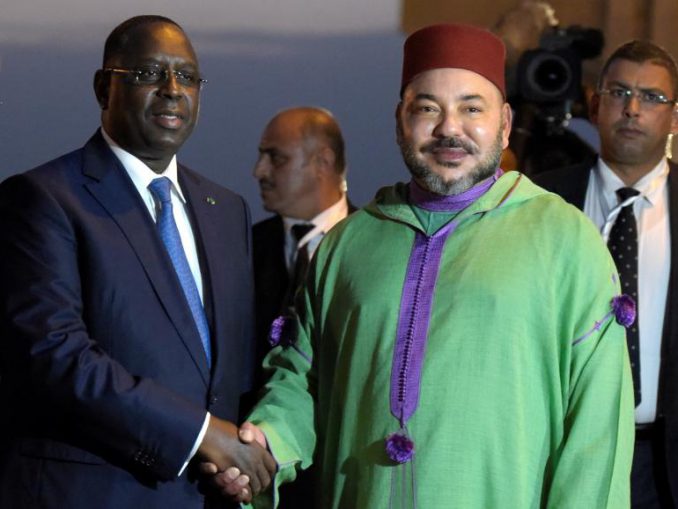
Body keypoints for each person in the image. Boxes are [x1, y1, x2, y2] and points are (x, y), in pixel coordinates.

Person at [222, 23, 636, 508]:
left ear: (504, 123)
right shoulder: (350, 243)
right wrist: (268, 442)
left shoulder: (564, 240)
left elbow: (596, 432)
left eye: (471, 108)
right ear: (400, 120)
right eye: (427, 109)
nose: (449, 129)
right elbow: (301, 379)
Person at [0, 15, 274, 509]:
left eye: (187, 76)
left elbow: (231, 368)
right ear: (103, 88)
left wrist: (246, 448)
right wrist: (201, 434)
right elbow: (55, 355)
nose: (172, 90)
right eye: (149, 74)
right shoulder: (45, 199)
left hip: (208, 495)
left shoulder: (226, 210)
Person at [536, 40, 678, 508]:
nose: (633, 109)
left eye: (652, 97)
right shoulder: (542, 204)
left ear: (674, 118)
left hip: (666, 463)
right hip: (564, 453)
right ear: (595, 106)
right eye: (619, 93)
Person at [252, 107, 354, 366]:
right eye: (261, 156)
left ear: (323, 162)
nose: (259, 171)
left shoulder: (376, 245)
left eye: (276, 158)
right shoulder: (244, 249)